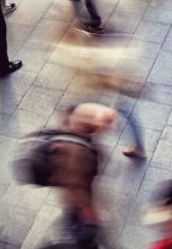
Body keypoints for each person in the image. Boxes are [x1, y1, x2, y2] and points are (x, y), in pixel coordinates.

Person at [50, 103, 116, 248]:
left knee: (78, 227)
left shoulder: (79, 136)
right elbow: (76, 185)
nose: (103, 130)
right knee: (80, 230)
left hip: (77, 202)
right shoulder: (77, 151)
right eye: (101, 127)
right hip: (79, 204)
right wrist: (89, 210)